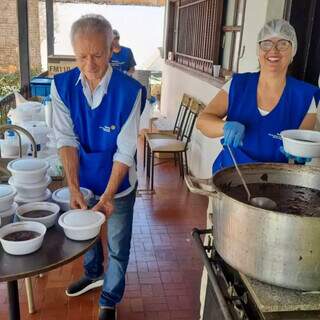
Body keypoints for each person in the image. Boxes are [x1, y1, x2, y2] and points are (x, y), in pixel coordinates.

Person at [51, 14, 145, 320]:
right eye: (81, 56)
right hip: (85, 180)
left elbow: (126, 150)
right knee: (86, 234)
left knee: (118, 243)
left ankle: (110, 296)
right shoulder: (62, 86)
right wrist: (74, 187)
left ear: (112, 48)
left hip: (119, 181)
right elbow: (65, 139)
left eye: (98, 55)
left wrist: (108, 196)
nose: (90, 65)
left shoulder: (130, 91)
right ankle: (92, 275)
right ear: (73, 52)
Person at [196, 19, 320, 173]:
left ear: (293, 51)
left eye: (283, 44)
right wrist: (225, 127)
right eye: (266, 43)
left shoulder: (305, 97)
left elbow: (300, 146)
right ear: (258, 51)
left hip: (275, 183)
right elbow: (202, 122)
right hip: (229, 175)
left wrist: (297, 155)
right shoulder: (238, 85)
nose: (273, 50)